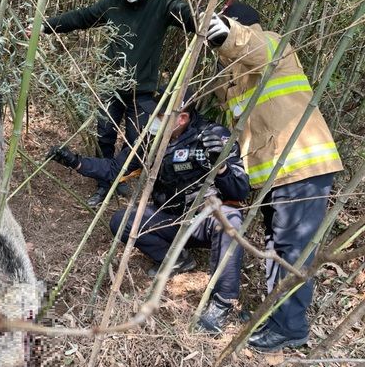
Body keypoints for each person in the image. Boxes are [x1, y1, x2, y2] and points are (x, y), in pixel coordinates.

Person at [48, 90, 250, 333]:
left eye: (159, 116)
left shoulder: (213, 136)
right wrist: (76, 162)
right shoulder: (152, 140)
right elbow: (115, 169)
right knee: (122, 220)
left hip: (204, 222)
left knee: (230, 218)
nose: (152, 122)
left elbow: (240, 191)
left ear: (181, 118)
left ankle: (222, 302)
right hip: (170, 219)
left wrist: (222, 167)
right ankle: (176, 260)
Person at [205, 2, 344, 351]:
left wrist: (226, 30)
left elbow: (250, 44)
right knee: (276, 246)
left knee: (292, 249)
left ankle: (291, 328)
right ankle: (277, 314)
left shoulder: (272, 44)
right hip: (272, 174)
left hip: (301, 164)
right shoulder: (231, 75)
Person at [35, 0, 196, 207]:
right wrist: (45, 26)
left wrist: (207, 22)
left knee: (136, 138)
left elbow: (184, 13)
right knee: (105, 133)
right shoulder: (114, 1)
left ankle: (117, 175)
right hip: (111, 85)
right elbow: (83, 16)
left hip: (143, 89)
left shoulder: (162, 1)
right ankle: (104, 182)